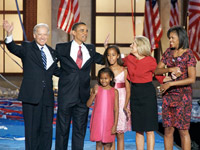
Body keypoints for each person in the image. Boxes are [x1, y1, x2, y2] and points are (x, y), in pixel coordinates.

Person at [3, 20, 60, 150]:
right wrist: (9, 33)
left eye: (45, 34)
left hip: (47, 98)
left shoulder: (51, 52)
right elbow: (12, 47)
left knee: (46, 130)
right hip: (31, 97)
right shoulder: (27, 48)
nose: (42, 37)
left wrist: (75, 72)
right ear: (34, 35)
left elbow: (56, 71)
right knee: (32, 131)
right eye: (40, 34)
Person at [55, 22, 104, 150]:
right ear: (73, 32)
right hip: (66, 96)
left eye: (86, 31)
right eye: (82, 30)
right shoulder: (61, 48)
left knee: (79, 131)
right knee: (62, 130)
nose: (85, 33)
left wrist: (109, 49)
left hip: (83, 98)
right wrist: (65, 75)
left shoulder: (90, 49)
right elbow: (52, 65)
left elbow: (106, 60)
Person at [154, 26, 196, 150]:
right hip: (168, 97)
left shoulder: (189, 54)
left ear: (181, 38)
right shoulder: (168, 52)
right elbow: (157, 70)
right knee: (168, 130)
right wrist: (170, 69)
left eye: (173, 37)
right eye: (169, 38)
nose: (170, 40)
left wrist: (170, 84)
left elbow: (192, 79)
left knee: (183, 131)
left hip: (183, 97)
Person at [122, 35, 165, 150]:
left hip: (148, 95)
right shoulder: (129, 58)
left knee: (150, 129)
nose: (131, 46)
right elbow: (117, 60)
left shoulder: (151, 60)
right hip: (135, 94)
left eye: (133, 44)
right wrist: (107, 48)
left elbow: (160, 77)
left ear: (140, 46)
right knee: (138, 129)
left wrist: (171, 81)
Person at [104, 45, 131, 150]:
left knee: (120, 133)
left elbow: (128, 90)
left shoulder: (124, 70)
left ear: (118, 56)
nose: (111, 57)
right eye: (108, 55)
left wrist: (125, 105)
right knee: (111, 132)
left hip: (121, 100)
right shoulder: (106, 70)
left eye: (113, 55)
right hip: (109, 100)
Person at [86, 67, 119, 150]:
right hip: (98, 121)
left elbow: (116, 109)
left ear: (111, 78)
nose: (103, 80)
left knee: (108, 145)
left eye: (106, 78)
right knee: (99, 143)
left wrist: (115, 125)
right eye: (101, 78)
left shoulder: (114, 91)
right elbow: (88, 104)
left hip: (109, 122)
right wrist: (94, 93)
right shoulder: (97, 89)